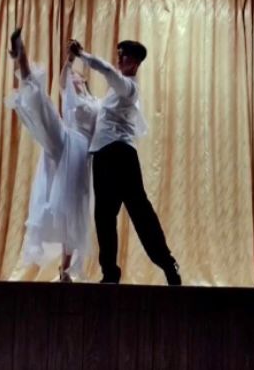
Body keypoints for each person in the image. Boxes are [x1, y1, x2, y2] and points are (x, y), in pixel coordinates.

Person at [68, 38, 181, 286]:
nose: (120, 59)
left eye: (125, 56)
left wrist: (82, 54)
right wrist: (81, 89)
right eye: (119, 54)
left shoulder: (128, 87)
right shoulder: (114, 94)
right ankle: (110, 273)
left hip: (120, 154)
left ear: (136, 63)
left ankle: (167, 263)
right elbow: (98, 111)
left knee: (139, 213)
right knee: (104, 216)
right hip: (103, 155)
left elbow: (108, 71)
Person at [6, 27, 98, 282]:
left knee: (74, 208)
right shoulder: (70, 96)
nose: (74, 78)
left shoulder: (97, 104)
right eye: (73, 76)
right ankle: (21, 56)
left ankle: (65, 270)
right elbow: (63, 79)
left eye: (78, 76)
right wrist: (71, 59)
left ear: (85, 81)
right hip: (66, 139)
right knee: (43, 107)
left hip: (82, 153)